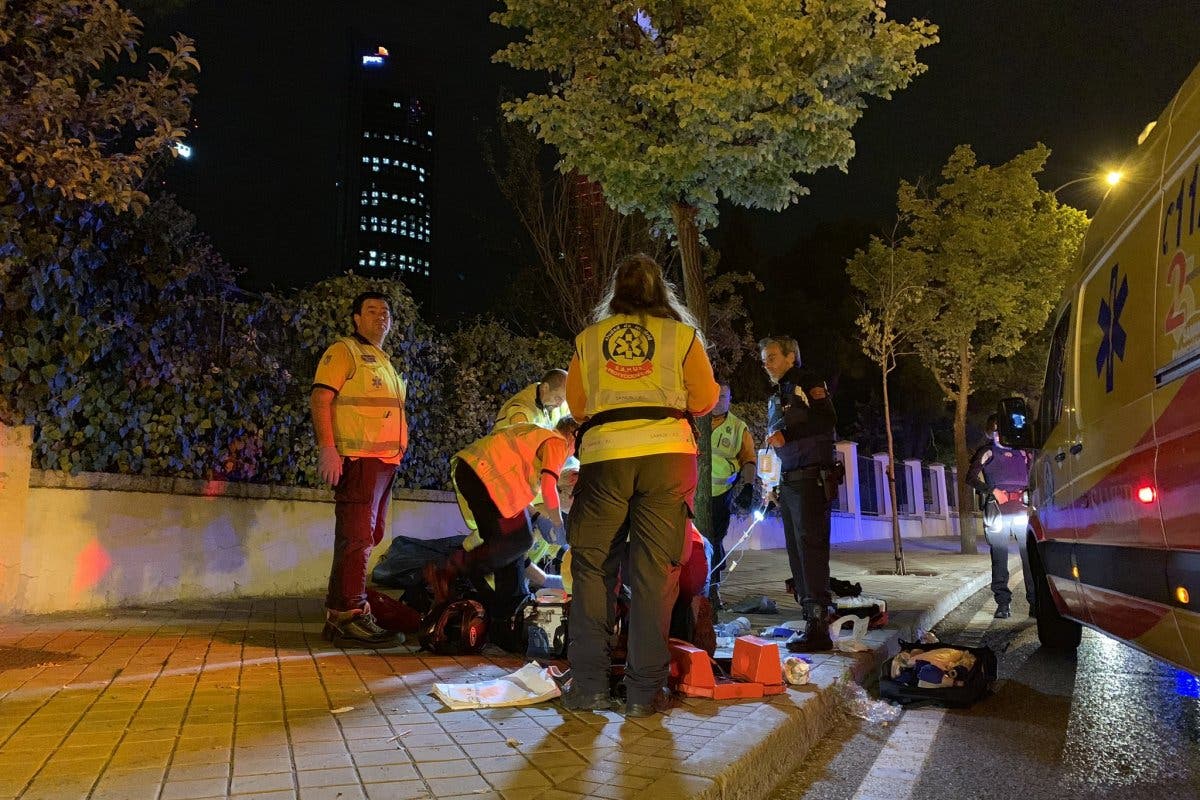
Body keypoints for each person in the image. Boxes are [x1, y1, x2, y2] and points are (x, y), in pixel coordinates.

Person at [562, 253, 719, 717]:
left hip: (605, 455)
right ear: (660, 291)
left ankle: (589, 687)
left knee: (592, 569)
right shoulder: (682, 337)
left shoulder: (590, 340)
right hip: (667, 454)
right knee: (655, 571)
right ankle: (645, 694)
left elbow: (577, 406)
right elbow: (706, 399)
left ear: (617, 291)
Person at [423, 417, 578, 645]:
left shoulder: (537, 434)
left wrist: (539, 518)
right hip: (487, 479)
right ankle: (450, 570)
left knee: (514, 543)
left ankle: (507, 623)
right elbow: (548, 487)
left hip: (476, 475)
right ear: (574, 435)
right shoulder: (557, 443)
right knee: (520, 540)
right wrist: (557, 524)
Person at [311, 291, 408, 647]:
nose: (381, 316)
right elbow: (321, 397)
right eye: (371, 310)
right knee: (357, 538)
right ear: (356, 318)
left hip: (383, 463)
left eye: (386, 311)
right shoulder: (345, 352)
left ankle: (340, 614)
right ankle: (350, 615)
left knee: (366, 536)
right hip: (359, 459)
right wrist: (328, 449)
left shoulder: (382, 361)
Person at [760, 335, 838, 652]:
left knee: (811, 551)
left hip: (811, 479)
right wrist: (772, 483)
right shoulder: (777, 395)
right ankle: (811, 620)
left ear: (791, 356)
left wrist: (788, 434)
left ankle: (819, 625)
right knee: (796, 553)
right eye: (764, 358)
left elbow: (826, 418)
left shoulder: (807, 381)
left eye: (773, 357)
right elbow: (774, 444)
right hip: (791, 481)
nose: (767, 364)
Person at [966, 414, 1035, 619]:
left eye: (1001, 429)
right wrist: (992, 491)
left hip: (1022, 510)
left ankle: (1035, 602)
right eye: (994, 430)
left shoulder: (1024, 453)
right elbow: (970, 478)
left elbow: (1035, 476)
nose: (998, 434)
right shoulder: (987, 452)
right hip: (997, 510)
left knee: (1030, 559)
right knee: (999, 558)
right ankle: (1003, 603)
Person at [708, 385, 757, 610]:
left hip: (720, 496)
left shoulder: (738, 427)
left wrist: (748, 486)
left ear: (730, 399)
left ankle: (713, 589)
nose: (718, 401)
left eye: (723, 397)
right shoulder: (696, 419)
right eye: (714, 395)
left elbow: (748, 459)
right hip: (691, 492)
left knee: (715, 541)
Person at [494, 369, 569, 431]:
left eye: (564, 400)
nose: (559, 404)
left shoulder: (553, 401)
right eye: (557, 398)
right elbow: (522, 444)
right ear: (545, 388)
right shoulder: (520, 412)